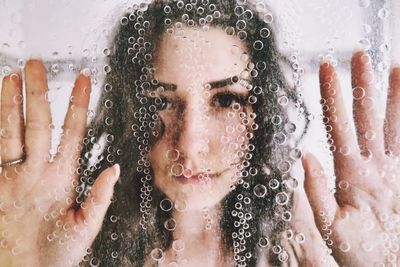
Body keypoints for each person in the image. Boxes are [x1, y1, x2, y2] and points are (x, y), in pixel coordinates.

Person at [0, 0, 399, 266]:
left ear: (261, 114)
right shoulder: (76, 240)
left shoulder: (294, 232)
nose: (189, 144)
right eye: (160, 102)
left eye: (226, 100)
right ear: (130, 114)